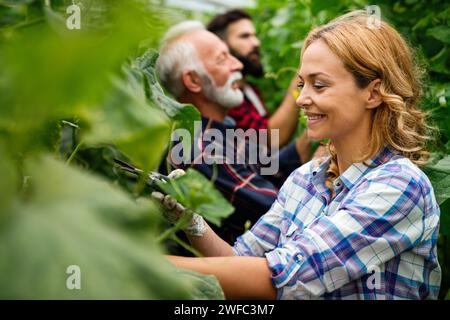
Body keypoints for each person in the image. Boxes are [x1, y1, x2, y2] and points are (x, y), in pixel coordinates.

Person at [158, 10, 441, 299]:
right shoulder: (303, 179)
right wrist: (196, 224)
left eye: (319, 85)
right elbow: (239, 259)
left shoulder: (399, 184)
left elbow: (285, 278)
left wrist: (150, 267)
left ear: (373, 93)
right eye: (302, 84)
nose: (302, 99)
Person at [155, 21, 312, 243]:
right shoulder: (202, 152)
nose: (238, 64)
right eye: (222, 59)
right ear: (193, 80)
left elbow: (269, 165)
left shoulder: (220, 129)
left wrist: (319, 132)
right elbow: (282, 213)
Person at [207, 9, 301, 148]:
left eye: (254, 35)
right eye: (245, 36)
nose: (256, 43)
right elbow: (269, 142)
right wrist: (300, 80)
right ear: (222, 46)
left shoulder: (250, 89)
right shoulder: (224, 96)